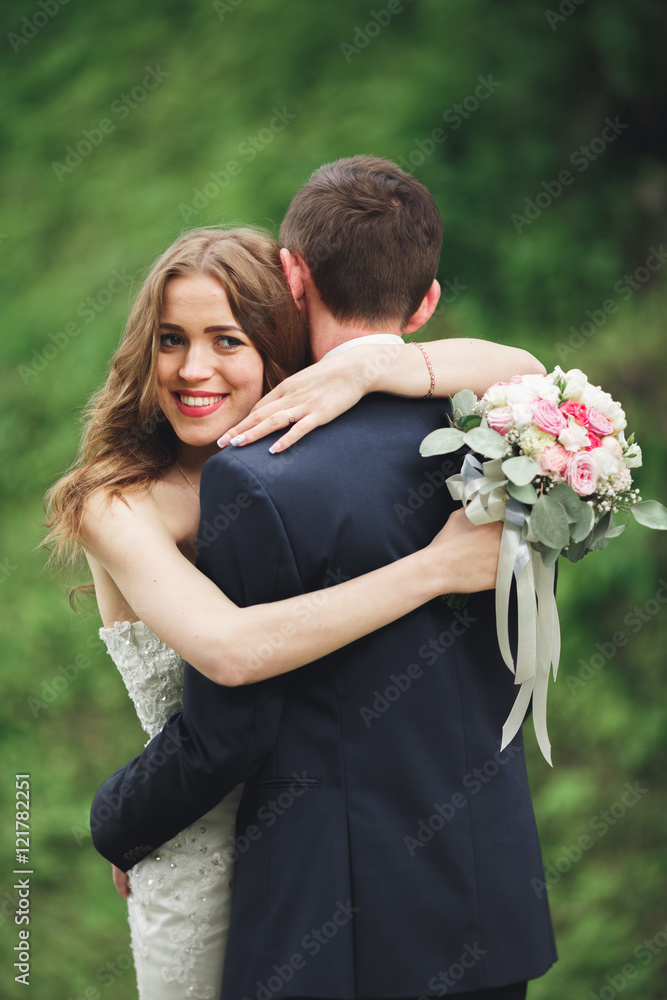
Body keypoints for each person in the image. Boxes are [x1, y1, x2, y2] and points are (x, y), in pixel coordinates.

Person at [90, 158, 558, 1000]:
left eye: (227, 339)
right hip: (237, 842)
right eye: (170, 340)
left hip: (323, 878)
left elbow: (228, 716)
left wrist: (370, 365)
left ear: (287, 299)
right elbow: (230, 654)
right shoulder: (477, 434)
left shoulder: (274, 473)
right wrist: (126, 821)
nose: (194, 368)